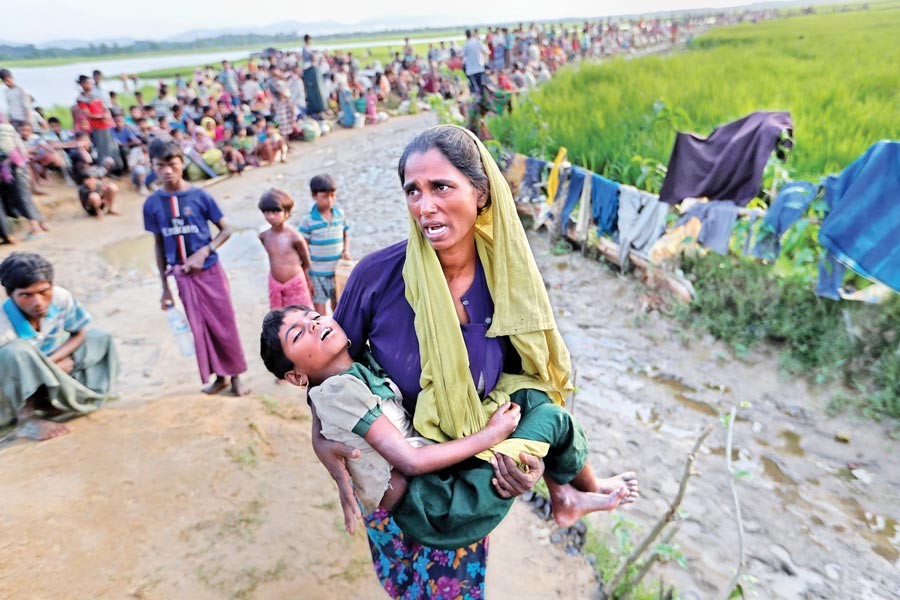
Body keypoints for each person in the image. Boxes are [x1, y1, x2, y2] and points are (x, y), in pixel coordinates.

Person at [309, 125, 639, 596]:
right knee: (406, 584)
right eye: (413, 191)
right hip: (397, 481)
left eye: (441, 187)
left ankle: (566, 492)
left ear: (481, 193)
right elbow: (326, 375)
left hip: (469, 471)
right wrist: (321, 442)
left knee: (459, 587)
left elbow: (522, 383)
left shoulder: (507, 281)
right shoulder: (377, 278)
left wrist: (529, 466)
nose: (425, 207)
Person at [261, 306, 630, 548]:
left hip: (441, 485)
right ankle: (580, 492)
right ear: (296, 376)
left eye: (312, 316)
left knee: (530, 396)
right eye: (299, 334)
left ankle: (565, 494)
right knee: (553, 419)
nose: (315, 324)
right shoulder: (337, 390)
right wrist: (491, 435)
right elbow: (409, 461)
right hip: (442, 505)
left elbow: (320, 401)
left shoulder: (350, 369)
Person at [143, 137, 249, 396]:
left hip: (209, 272)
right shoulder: (152, 204)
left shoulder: (200, 196)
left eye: (172, 164)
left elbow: (226, 230)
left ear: (182, 163)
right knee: (199, 328)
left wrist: (205, 251)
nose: (167, 171)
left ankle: (236, 378)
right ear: (153, 167)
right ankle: (219, 377)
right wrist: (164, 288)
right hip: (182, 277)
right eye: (160, 166)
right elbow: (159, 245)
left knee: (224, 324)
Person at [0, 252, 118, 441]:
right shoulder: (3, 323)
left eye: (44, 291)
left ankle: (59, 400)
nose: (38, 302)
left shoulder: (61, 298)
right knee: (16, 352)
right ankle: (27, 419)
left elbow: (79, 334)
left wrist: (50, 365)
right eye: (25, 295)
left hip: (52, 363)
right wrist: (46, 370)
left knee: (99, 339)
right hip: (18, 382)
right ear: (10, 294)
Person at [298, 174, 350, 315]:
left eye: (333, 195)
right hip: (317, 274)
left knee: (338, 308)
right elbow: (303, 247)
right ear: (314, 196)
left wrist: (346, 250)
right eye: (325, 196)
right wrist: (306, 273)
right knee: (320, 314)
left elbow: (346, 234)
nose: (330, 200)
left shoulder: (340, 214)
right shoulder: (308, 220)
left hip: (336, 272)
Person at [257, 188, 313, 310]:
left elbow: (306, 263)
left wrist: (309, 283)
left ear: (287, 213)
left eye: (276, 212)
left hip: (295, 284)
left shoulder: (295, 237)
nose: (271, 216)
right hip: (275, 283)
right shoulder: (264, 236)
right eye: (267, 212)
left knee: (301, 313)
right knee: (280, 317)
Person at [462, 29, 486, 96]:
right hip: (480, 68)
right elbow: (486, 51)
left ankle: (478, 101)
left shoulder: (466, 45)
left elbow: (462, 55)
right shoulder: (478, 42)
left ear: (466, 36)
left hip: (472, 70)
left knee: (475, 89)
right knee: (481, 87)